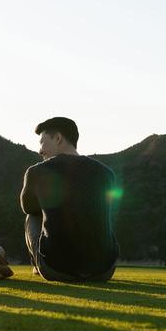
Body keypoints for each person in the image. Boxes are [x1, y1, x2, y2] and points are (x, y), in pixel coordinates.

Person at [20, 117, 119, 282]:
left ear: (58, 138)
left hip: (56, 269)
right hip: (104, 271)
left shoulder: (37, 171)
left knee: (32, 216)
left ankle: (38, 266)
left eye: (42, 142)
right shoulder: (106, 173)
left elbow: (28, 208)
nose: (40, 150)